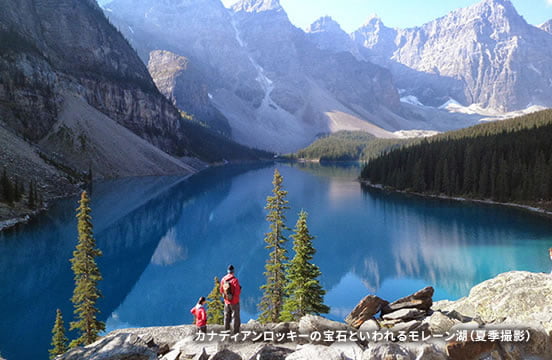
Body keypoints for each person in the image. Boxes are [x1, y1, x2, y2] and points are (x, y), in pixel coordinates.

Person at [220, 264, 242, 334]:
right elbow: (237, 292)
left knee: (226, 317)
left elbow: (221, 290)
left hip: (226, 301)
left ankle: (226, 332)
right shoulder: (235, 280)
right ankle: (235, 333)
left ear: (228, 271)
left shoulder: (223, 279)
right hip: (234, 302)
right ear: (233, 271)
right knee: (235, 317)